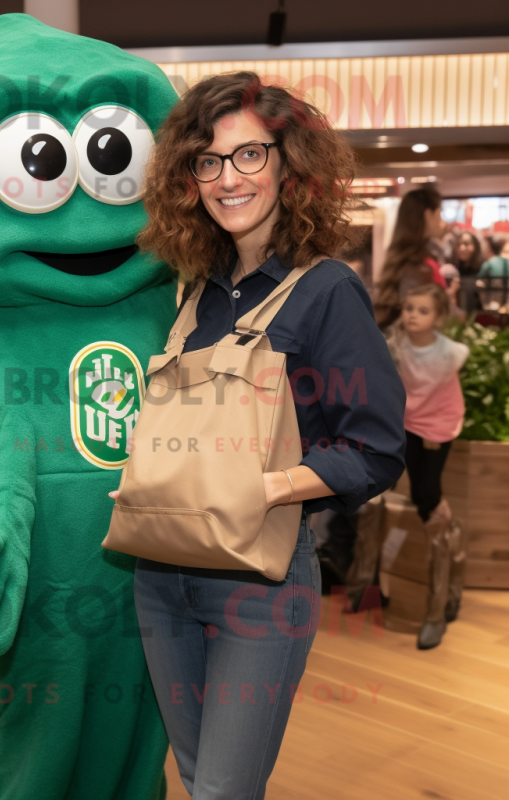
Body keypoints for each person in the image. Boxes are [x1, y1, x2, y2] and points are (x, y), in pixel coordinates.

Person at [116, 72, 406, 798]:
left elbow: (374, 449)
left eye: (248, 155)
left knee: (222, 791)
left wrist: (264, 488)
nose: (226, 178)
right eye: (207, 162)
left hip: (262, 580)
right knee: (194, 778)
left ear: (289, 164)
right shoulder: (193, 294)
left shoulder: (326, 289)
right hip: (159, 574)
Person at [385, 283, 469, 649]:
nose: (412, 315)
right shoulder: (397, 345)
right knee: (411, 492)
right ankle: (442, 537)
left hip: (437, 424)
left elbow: (437, 392)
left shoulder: (449, 352)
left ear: (438, 317)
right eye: (408, 308)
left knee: (426, 492)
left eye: (422, 310)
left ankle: (444, 584)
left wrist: (432, 429)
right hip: (408, 421)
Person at [374, 186, 447, 329]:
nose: (441, 221)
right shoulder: (418, 265)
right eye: (439, 214)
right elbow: (413, 317)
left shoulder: (407, 257)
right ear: (428, 215)